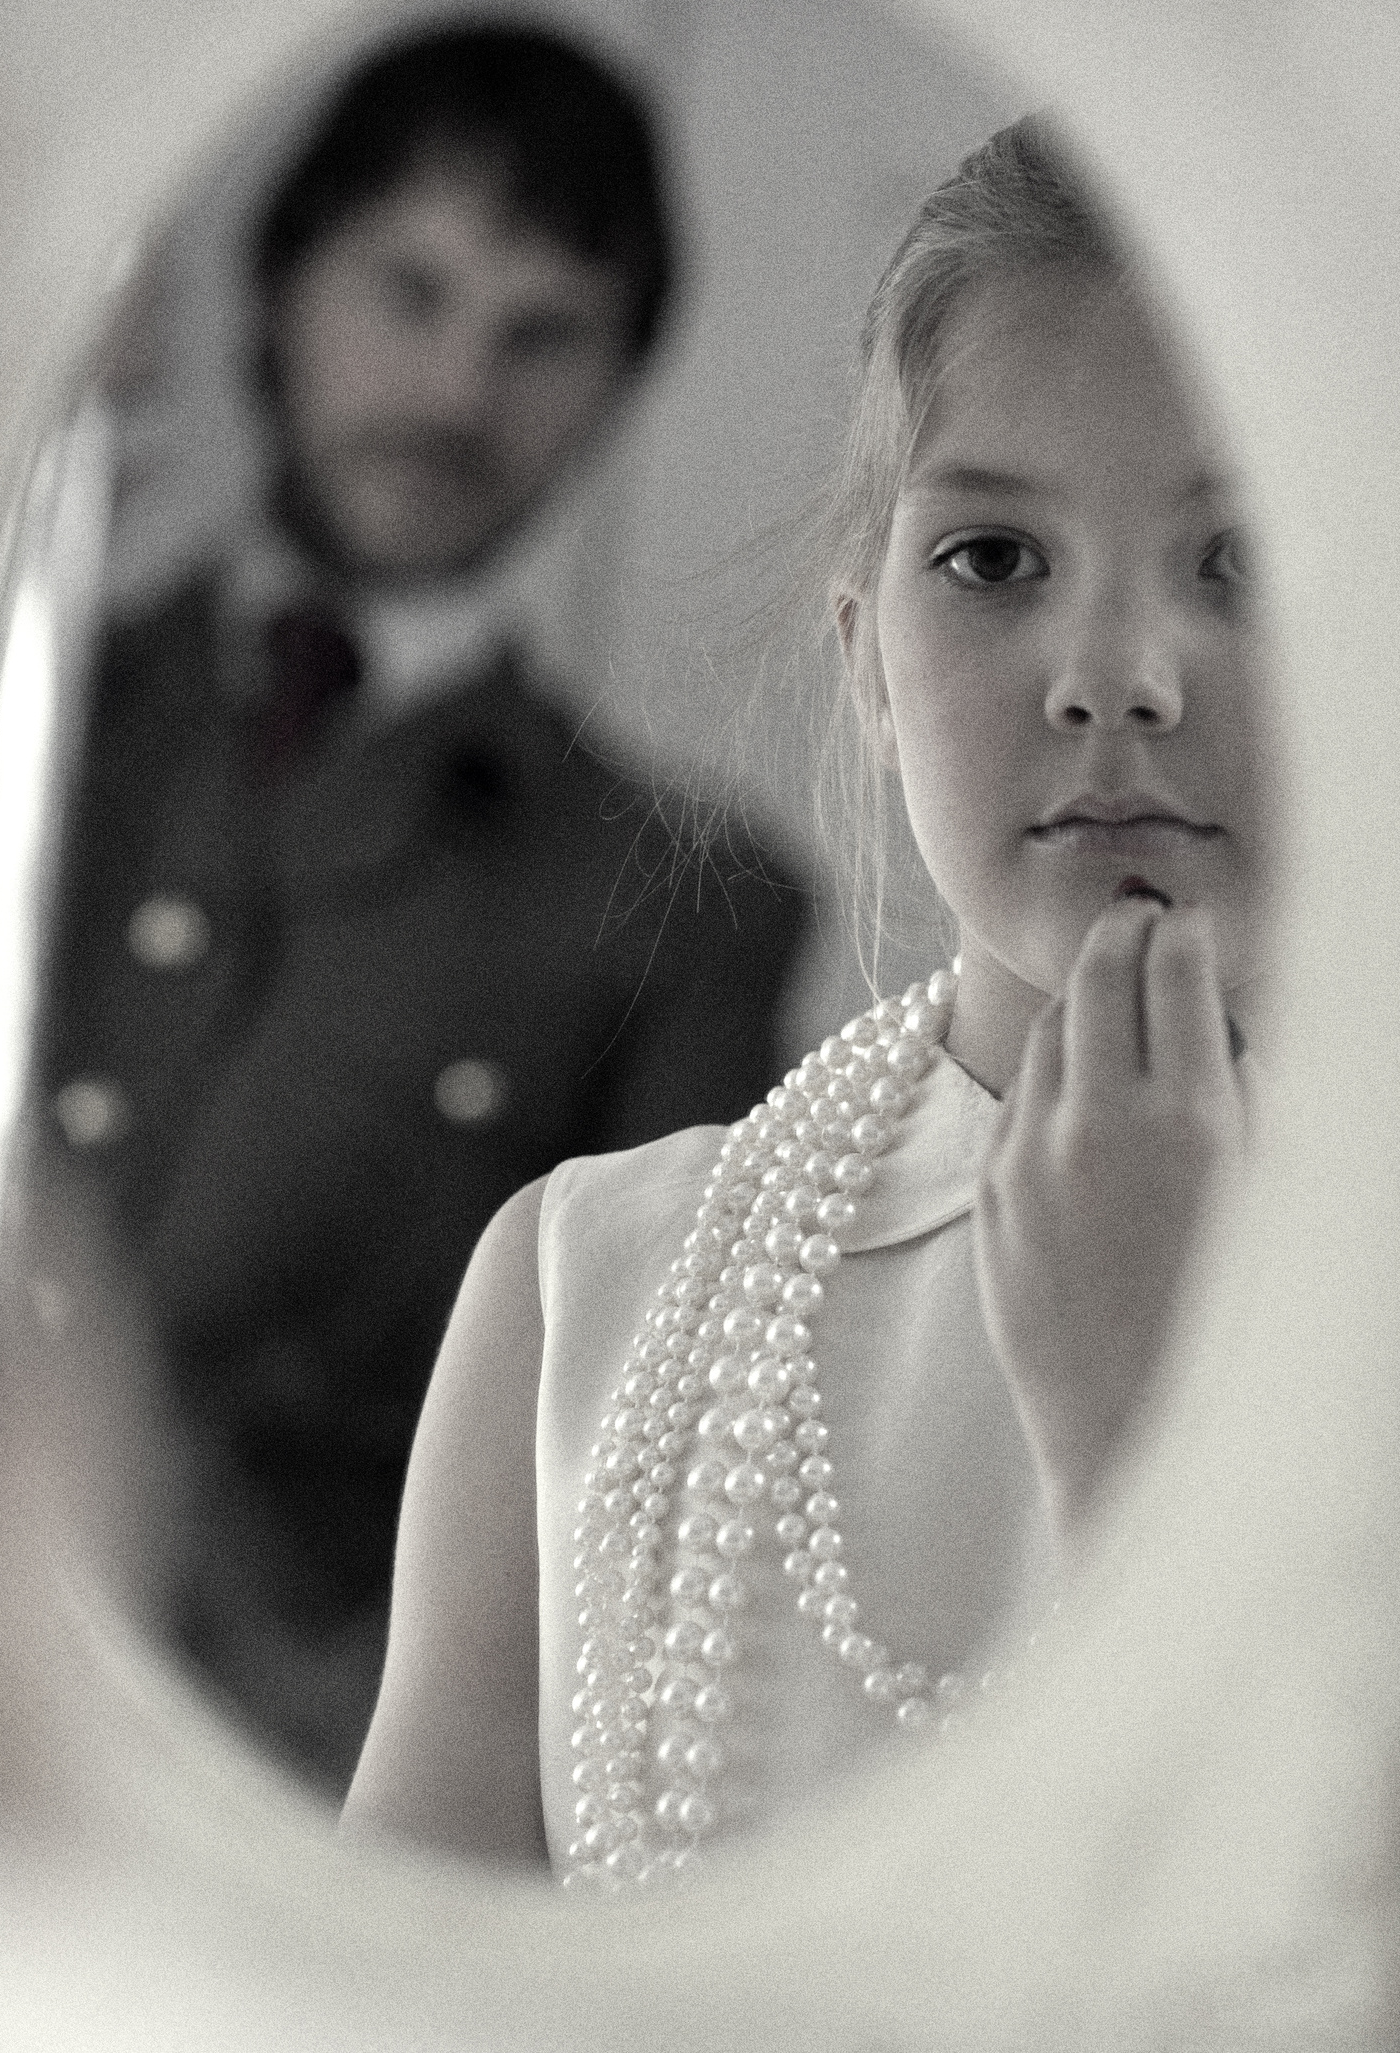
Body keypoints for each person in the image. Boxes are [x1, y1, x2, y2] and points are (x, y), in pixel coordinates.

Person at [342, 116, 1269, 1880]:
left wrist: (1153, 1425)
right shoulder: (575, 1288)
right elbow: (395, 1978)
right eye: (994, 558)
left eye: (1245, 557)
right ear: (865, 658)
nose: (1114, 675)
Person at [37, 21, 809, 1790]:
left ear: (615, 392)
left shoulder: (683, 905)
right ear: (280, 286)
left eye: (545, 336)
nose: (459, 393)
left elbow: (611, 1513)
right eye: (410, 290)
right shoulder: (16, 709)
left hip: (274, 1800)